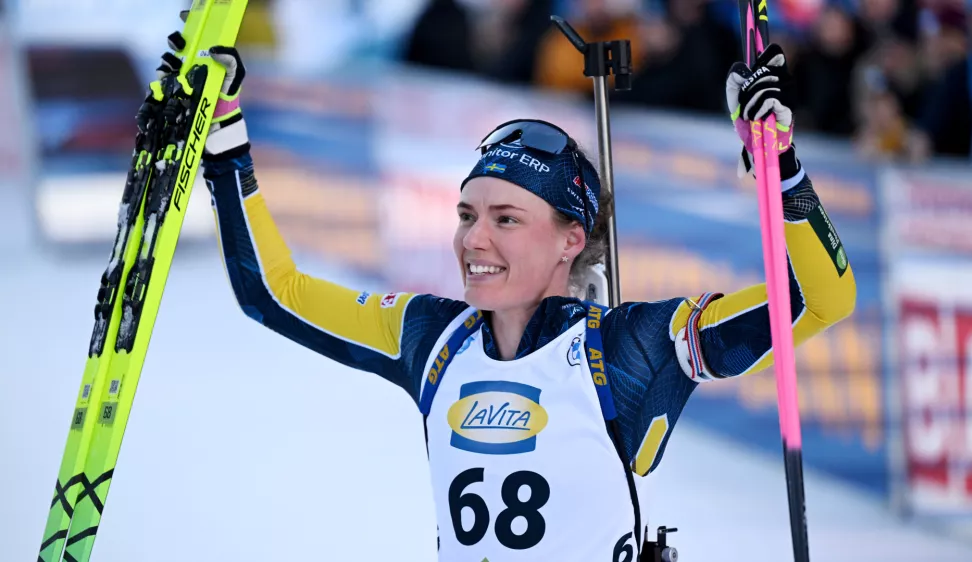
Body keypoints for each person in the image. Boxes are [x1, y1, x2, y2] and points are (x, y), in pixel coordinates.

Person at [155, 24, 856, 561]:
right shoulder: (433, 338)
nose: (473, 241)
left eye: (506, 219)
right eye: (467, 215)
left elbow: (821, 300)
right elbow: (274, 294)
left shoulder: (634, 350)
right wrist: (225, 137)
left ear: (569, 240)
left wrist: (782, 171)